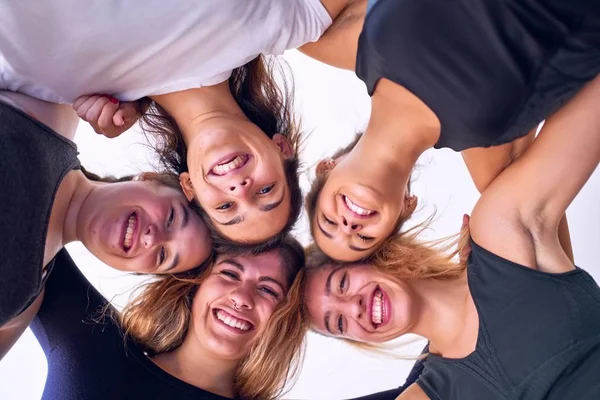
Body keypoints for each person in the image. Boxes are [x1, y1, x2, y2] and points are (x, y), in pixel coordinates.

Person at [302, 76, 600, 399]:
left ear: (370, 255)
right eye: (340, 323)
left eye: (342, 284)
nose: (354, 308)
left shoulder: (499, 231)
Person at [0, 0, 355, 246]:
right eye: (266, 191)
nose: (240, 190)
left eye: (226, 208)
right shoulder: (283, 23)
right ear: (281, 148)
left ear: (189, 187)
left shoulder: (63, 88)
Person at [301, 0, 599, 261]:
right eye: (364, 240)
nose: (349, 228)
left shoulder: (328, 39)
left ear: (326, 169)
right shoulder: (493, 165)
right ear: (406, 209)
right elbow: (543, 240)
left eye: (329, 222)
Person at [0, 90, 212, 359]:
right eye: (171, 217)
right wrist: (134, 95)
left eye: (162, 256)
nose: (152, 239)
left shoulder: (23, 305)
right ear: (150, 178)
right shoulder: (52, 109)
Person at [30, 237, 306, 400]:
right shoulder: (93, 344)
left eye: (269, 290)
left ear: (286, 318)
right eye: (230, 274)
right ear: (196, 282)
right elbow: (28, 220)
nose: (242, 297)